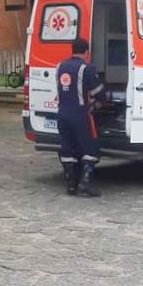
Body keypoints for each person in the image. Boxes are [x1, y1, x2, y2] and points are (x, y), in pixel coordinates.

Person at [55, 37, 104, 197]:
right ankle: (86, 183)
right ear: (86, 51)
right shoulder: (86, 68)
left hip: (62, 114)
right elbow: (97, 91)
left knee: (68, 149)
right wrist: (100, 102)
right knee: (91, 149)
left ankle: (71, 185)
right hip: (80, 114)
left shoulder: (60, 66)